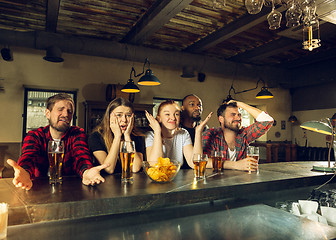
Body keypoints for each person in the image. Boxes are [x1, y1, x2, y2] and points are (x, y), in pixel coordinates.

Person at [7, 93, 108, 190]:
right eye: (60, 109)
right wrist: (25, 172)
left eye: (70, 111)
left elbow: (81, 156)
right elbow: (29, 156)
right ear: (47, 113)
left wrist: (86, 172)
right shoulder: (35, 135)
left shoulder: (77, 133)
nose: (65, 114)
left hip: (69, 192)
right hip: (39, 191)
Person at [202, 100, 273, 172]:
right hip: (216, 180)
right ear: (221, 119)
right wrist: (236, 165)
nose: (238, 118)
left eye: (239, 115)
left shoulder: (244, 134)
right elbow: (202, 160)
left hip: (241, 181)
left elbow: (267, 121)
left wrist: (240, 104)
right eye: (233, 114)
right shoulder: (210, 134)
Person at [145, 100, 212, 169]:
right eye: (167, 114)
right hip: (158, 178)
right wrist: (157, 131)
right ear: (159, 118)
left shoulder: (183, 134)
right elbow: (154, 165)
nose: (173, 118)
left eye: (176, 114)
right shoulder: (151, 136)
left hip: (177, 177)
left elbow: (194, 163)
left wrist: (198, 133)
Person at [88, 98, 144, 174]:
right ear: (109, 117)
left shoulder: (137, 137)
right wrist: (117, 136)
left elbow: (136, 168)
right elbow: (108, 169)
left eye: (128, 115)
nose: (124, 120)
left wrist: (127, 136)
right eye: (119, 115)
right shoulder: (96, 137)